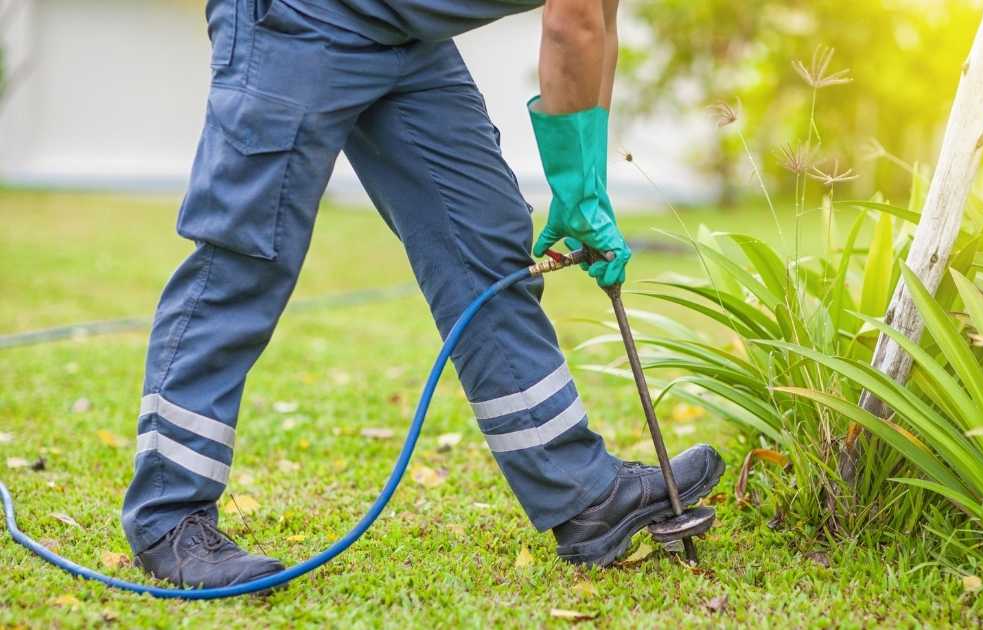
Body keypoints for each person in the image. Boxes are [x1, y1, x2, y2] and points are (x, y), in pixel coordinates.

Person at [122, 0, 725, 588]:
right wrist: (575, 188)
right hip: (296, 20)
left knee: (483, 246)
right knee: (247, 256)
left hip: (406, 34)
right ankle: (169, 517)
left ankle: (581, 491)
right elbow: (575, 22)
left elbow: (600, 18)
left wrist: (586, 180)